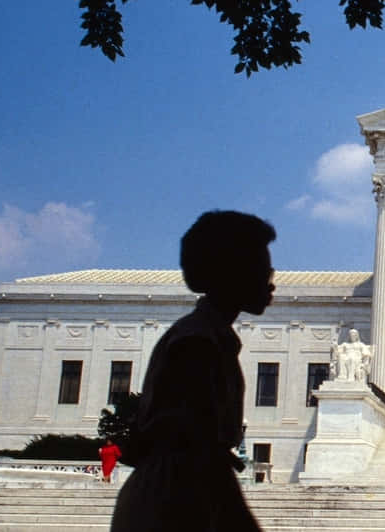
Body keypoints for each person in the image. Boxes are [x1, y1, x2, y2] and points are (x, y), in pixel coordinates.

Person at [109, 210, 276, 532]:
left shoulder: (206, 336)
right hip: (174, 499)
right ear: (232, 273)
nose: (271, 284)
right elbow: (194, 446)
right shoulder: (197, 343)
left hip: (174, 490)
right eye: (262, 270)